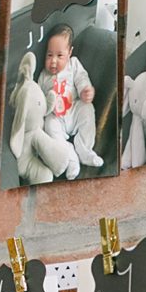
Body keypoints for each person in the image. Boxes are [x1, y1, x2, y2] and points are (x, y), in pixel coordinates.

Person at [37, 24, 101, 178]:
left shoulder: (73, 64)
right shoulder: (44, 76)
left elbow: (81, 78)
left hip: (74, 108)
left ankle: (84, 150)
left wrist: (85, 89)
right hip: (56, 117)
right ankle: (70, 157)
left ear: (69, 52)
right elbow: (38, 99)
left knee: (87, 109)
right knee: (49, 126)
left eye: (59, 56)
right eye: (49, 55)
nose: (53, 61)